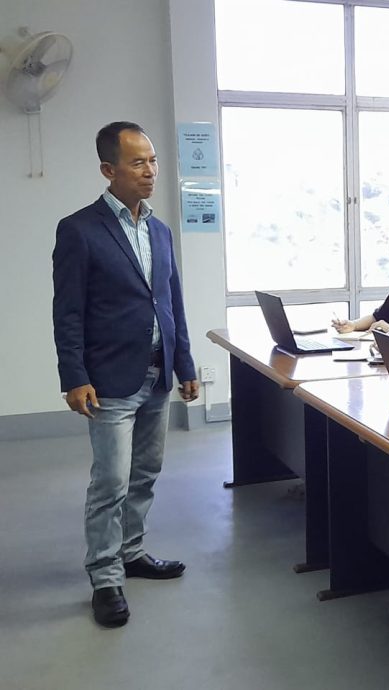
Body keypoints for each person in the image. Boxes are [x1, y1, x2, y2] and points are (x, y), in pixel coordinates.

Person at [52, 122, 198, 628]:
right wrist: (74, 376)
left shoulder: (160, 230)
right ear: (108, 170)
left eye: (152, 160)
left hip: (156, 373)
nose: (150, 171)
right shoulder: (79, 230)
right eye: (138, 163)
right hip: (109, 378)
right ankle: (105, 576)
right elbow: (67, 312)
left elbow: (172, 302)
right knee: (110, 482)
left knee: (145, 473)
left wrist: (184, 363)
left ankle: (131, 552)